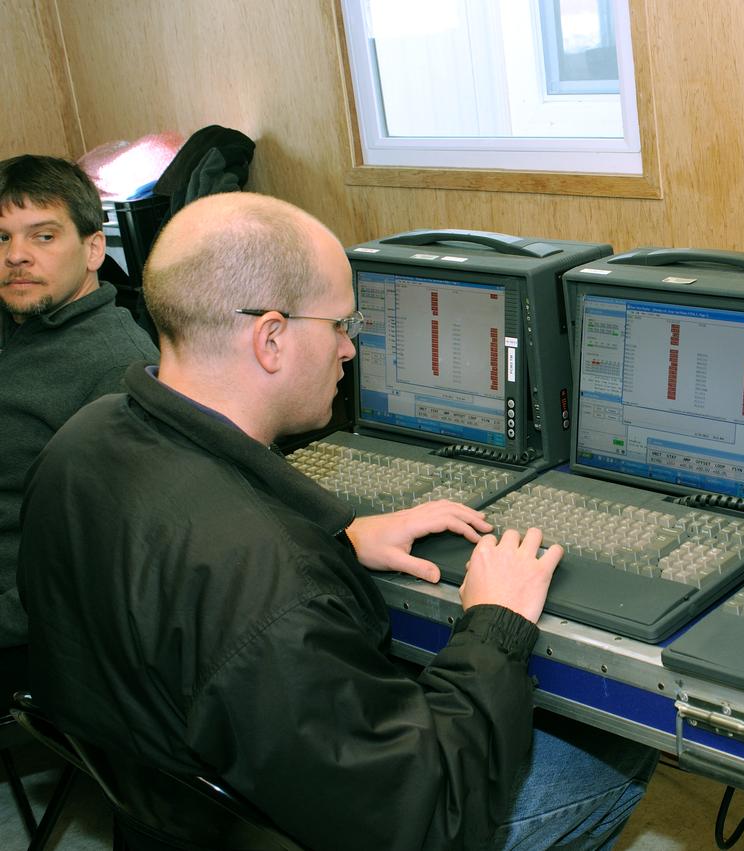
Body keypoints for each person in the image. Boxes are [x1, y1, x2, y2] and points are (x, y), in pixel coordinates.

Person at [19, 192, 656, 850]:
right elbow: (426, 815)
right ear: (270, 337)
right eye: (338, 326)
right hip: (293, 831)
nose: (350, 350)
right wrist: (493, 625)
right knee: (613, 745)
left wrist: (336, 537)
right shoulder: (274, 589)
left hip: (162, 809)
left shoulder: (81, 442)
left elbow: (170, 576)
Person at [0, 154, 158, 696]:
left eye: (43, 237)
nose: (16, 256)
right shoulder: (18, 321)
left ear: (94, 249)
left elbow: (98, 558)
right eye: (1, 239)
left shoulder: (116, 369)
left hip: (24, 628)